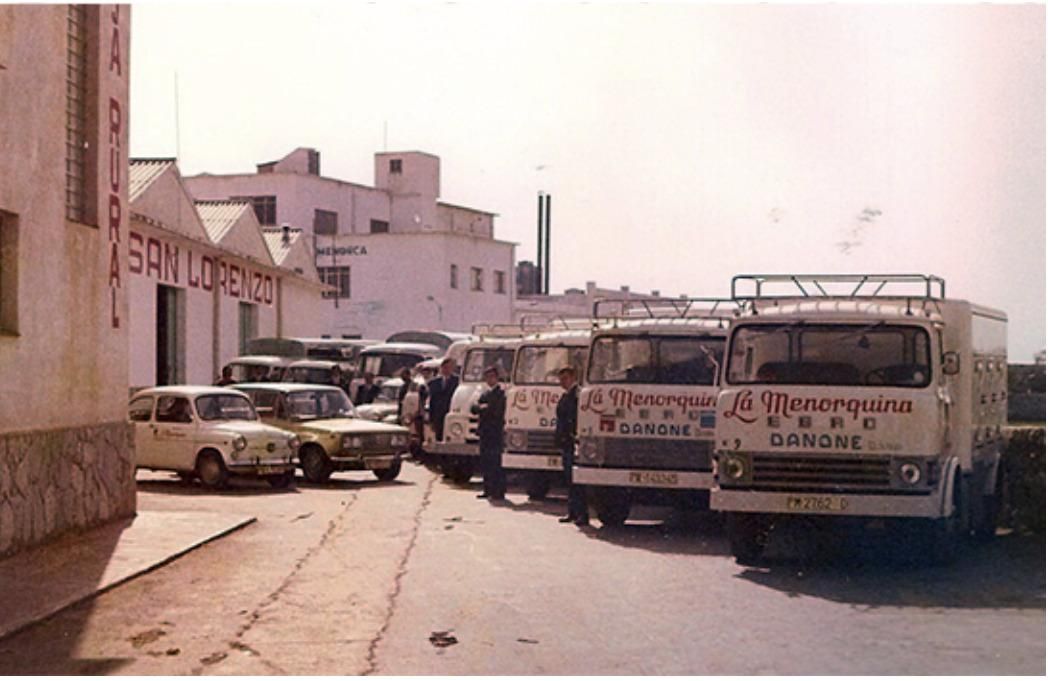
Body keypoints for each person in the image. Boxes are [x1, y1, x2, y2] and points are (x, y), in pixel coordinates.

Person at [556, 366, 588, 525]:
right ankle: (572, 512)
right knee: (569, 480)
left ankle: (582, 514)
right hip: (565, 442)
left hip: (573, 441)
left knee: (577, 481)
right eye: (561, 379)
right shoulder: (566, 395)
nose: (562, 382)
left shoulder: (578, 395)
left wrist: (574, 436)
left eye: (565, 378)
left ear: (573, 377)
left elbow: (577, 418)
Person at [472, 366, 506, 500]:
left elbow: (495, 412)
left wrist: (484, 408)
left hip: (495, 432)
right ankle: (487, 489)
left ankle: (498, 491)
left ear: (497, 377)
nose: (489, 379)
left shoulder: (500, 393)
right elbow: (474, 408)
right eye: (487, 377)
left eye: (492, 376)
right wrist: (482, 408)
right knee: (485, 462)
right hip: (485, 432)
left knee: (495, 463)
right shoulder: (485, 393)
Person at [427, 358, 459, 441]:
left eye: (449, 367)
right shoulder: (434, 383)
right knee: (439, 436)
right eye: (444, 367)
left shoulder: (457, 382)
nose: (446, 369)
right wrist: (431, 419)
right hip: (438, 415)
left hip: (451, 413)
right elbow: (432, 401)